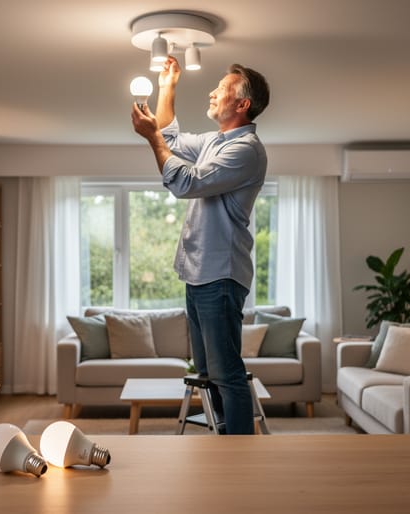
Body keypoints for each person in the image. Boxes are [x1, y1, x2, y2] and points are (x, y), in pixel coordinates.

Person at [131, 56, 270, 434]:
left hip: (220, 276)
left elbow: (186, 183)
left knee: (227, 374)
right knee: (209, 372)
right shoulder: (214, 141)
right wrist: (168, 87)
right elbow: (170, 138)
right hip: (199, 275)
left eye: (222, 88)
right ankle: (222, 442)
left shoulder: (245, 150)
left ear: (242, 104)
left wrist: (152, 139)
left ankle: (238, 457)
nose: (212, 91)